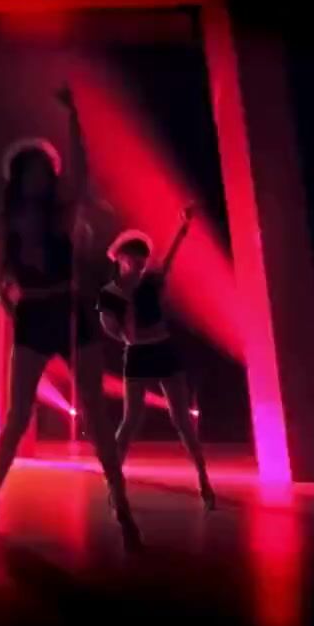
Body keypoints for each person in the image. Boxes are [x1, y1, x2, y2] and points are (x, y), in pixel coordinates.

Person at [0, 85, 142, 555]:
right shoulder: (5, 223)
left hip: (71, 313)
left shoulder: (64, 212)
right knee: (17, 417)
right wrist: (15, 310)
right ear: (19, 177)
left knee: (96, 412)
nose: (39, 179)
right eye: (31, 172)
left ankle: (122, 507)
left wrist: (73, 119)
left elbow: (82, 175)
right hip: (35, 315)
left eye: (44, 172)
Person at [98, 206, 215, 509]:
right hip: (137, 354)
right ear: (121, 258)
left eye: (142, 257)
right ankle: (115, 483)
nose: (139, 262)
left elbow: (169, 257)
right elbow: (107, 324)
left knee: (182, 420)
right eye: (134, 257)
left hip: (163, 350)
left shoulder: (151, 280)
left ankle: (203, 479)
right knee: (130, 420)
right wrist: (124, 333)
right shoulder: (111, 292)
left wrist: (182, 228)